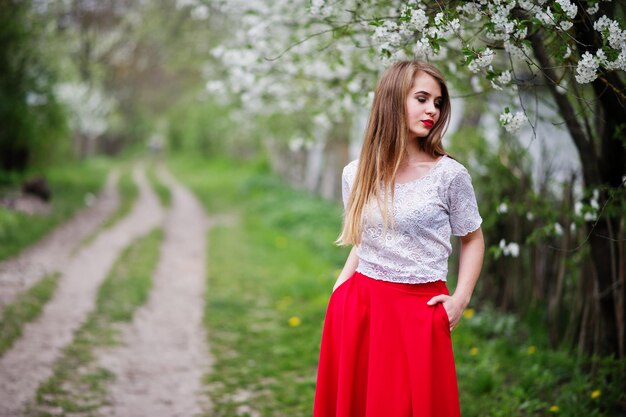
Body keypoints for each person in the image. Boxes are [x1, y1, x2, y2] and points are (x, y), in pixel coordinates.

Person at [313, 60, 485, 417]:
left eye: (438, 102)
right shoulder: (356, 173)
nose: (432, 111)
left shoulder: (449, 176)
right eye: (422, 98)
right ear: (392, 100)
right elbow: (364, 242)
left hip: (421, 314)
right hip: (360, 309)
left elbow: (473, 239)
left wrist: (460, 299)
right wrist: (338, 293)